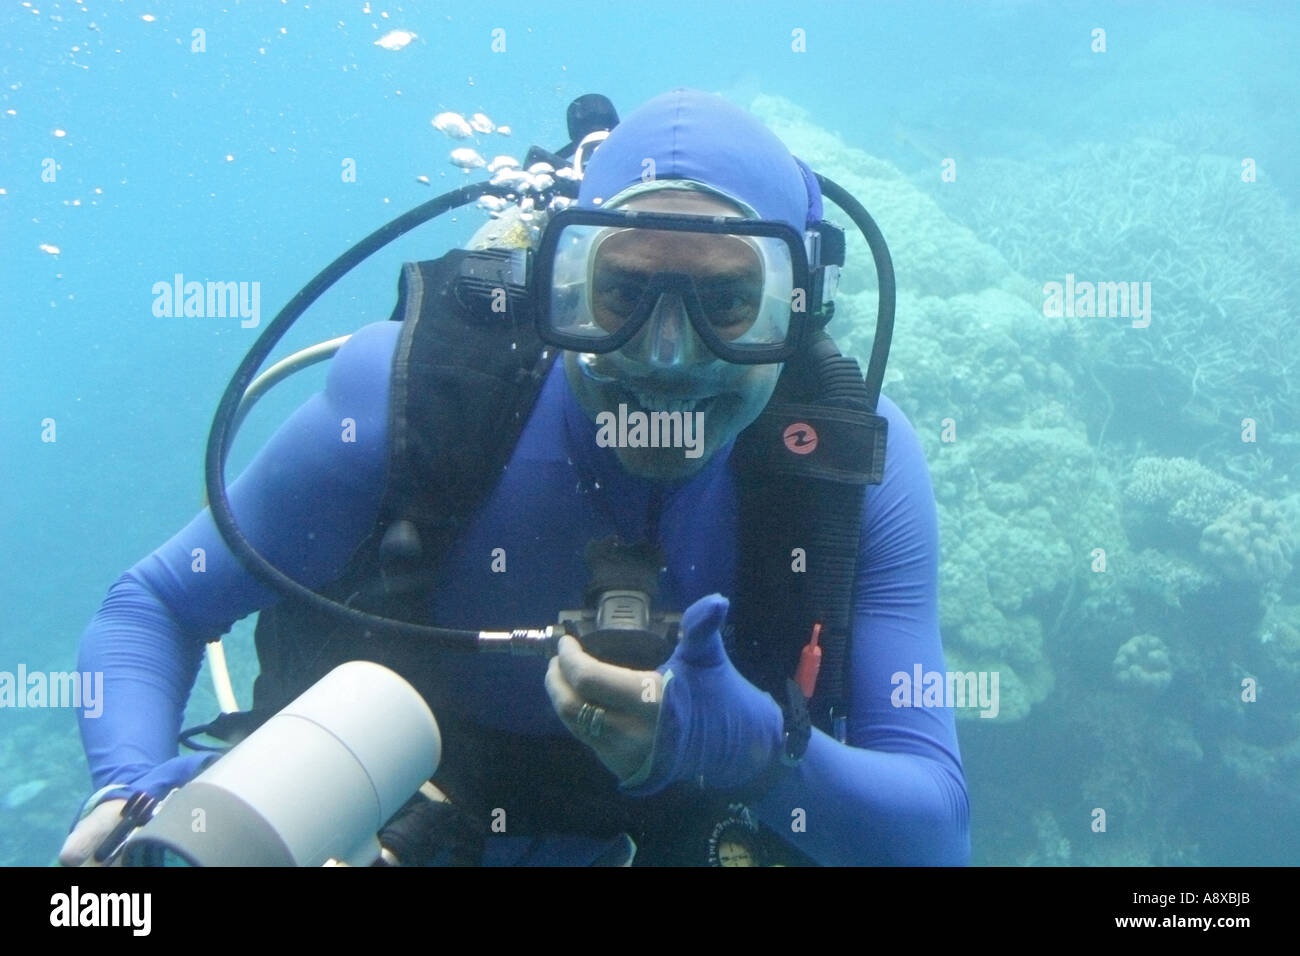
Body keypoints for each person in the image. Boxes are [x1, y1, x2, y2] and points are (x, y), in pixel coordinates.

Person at [61, 88, 970, 866]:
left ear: (799, 305)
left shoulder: (849, 474)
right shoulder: (407, 405)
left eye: (728, 302)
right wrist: (131, 790)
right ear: (556, 288)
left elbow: (935, 834)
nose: (666, 358)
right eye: (622, 293)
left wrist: (765, 756)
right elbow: (156, 604)